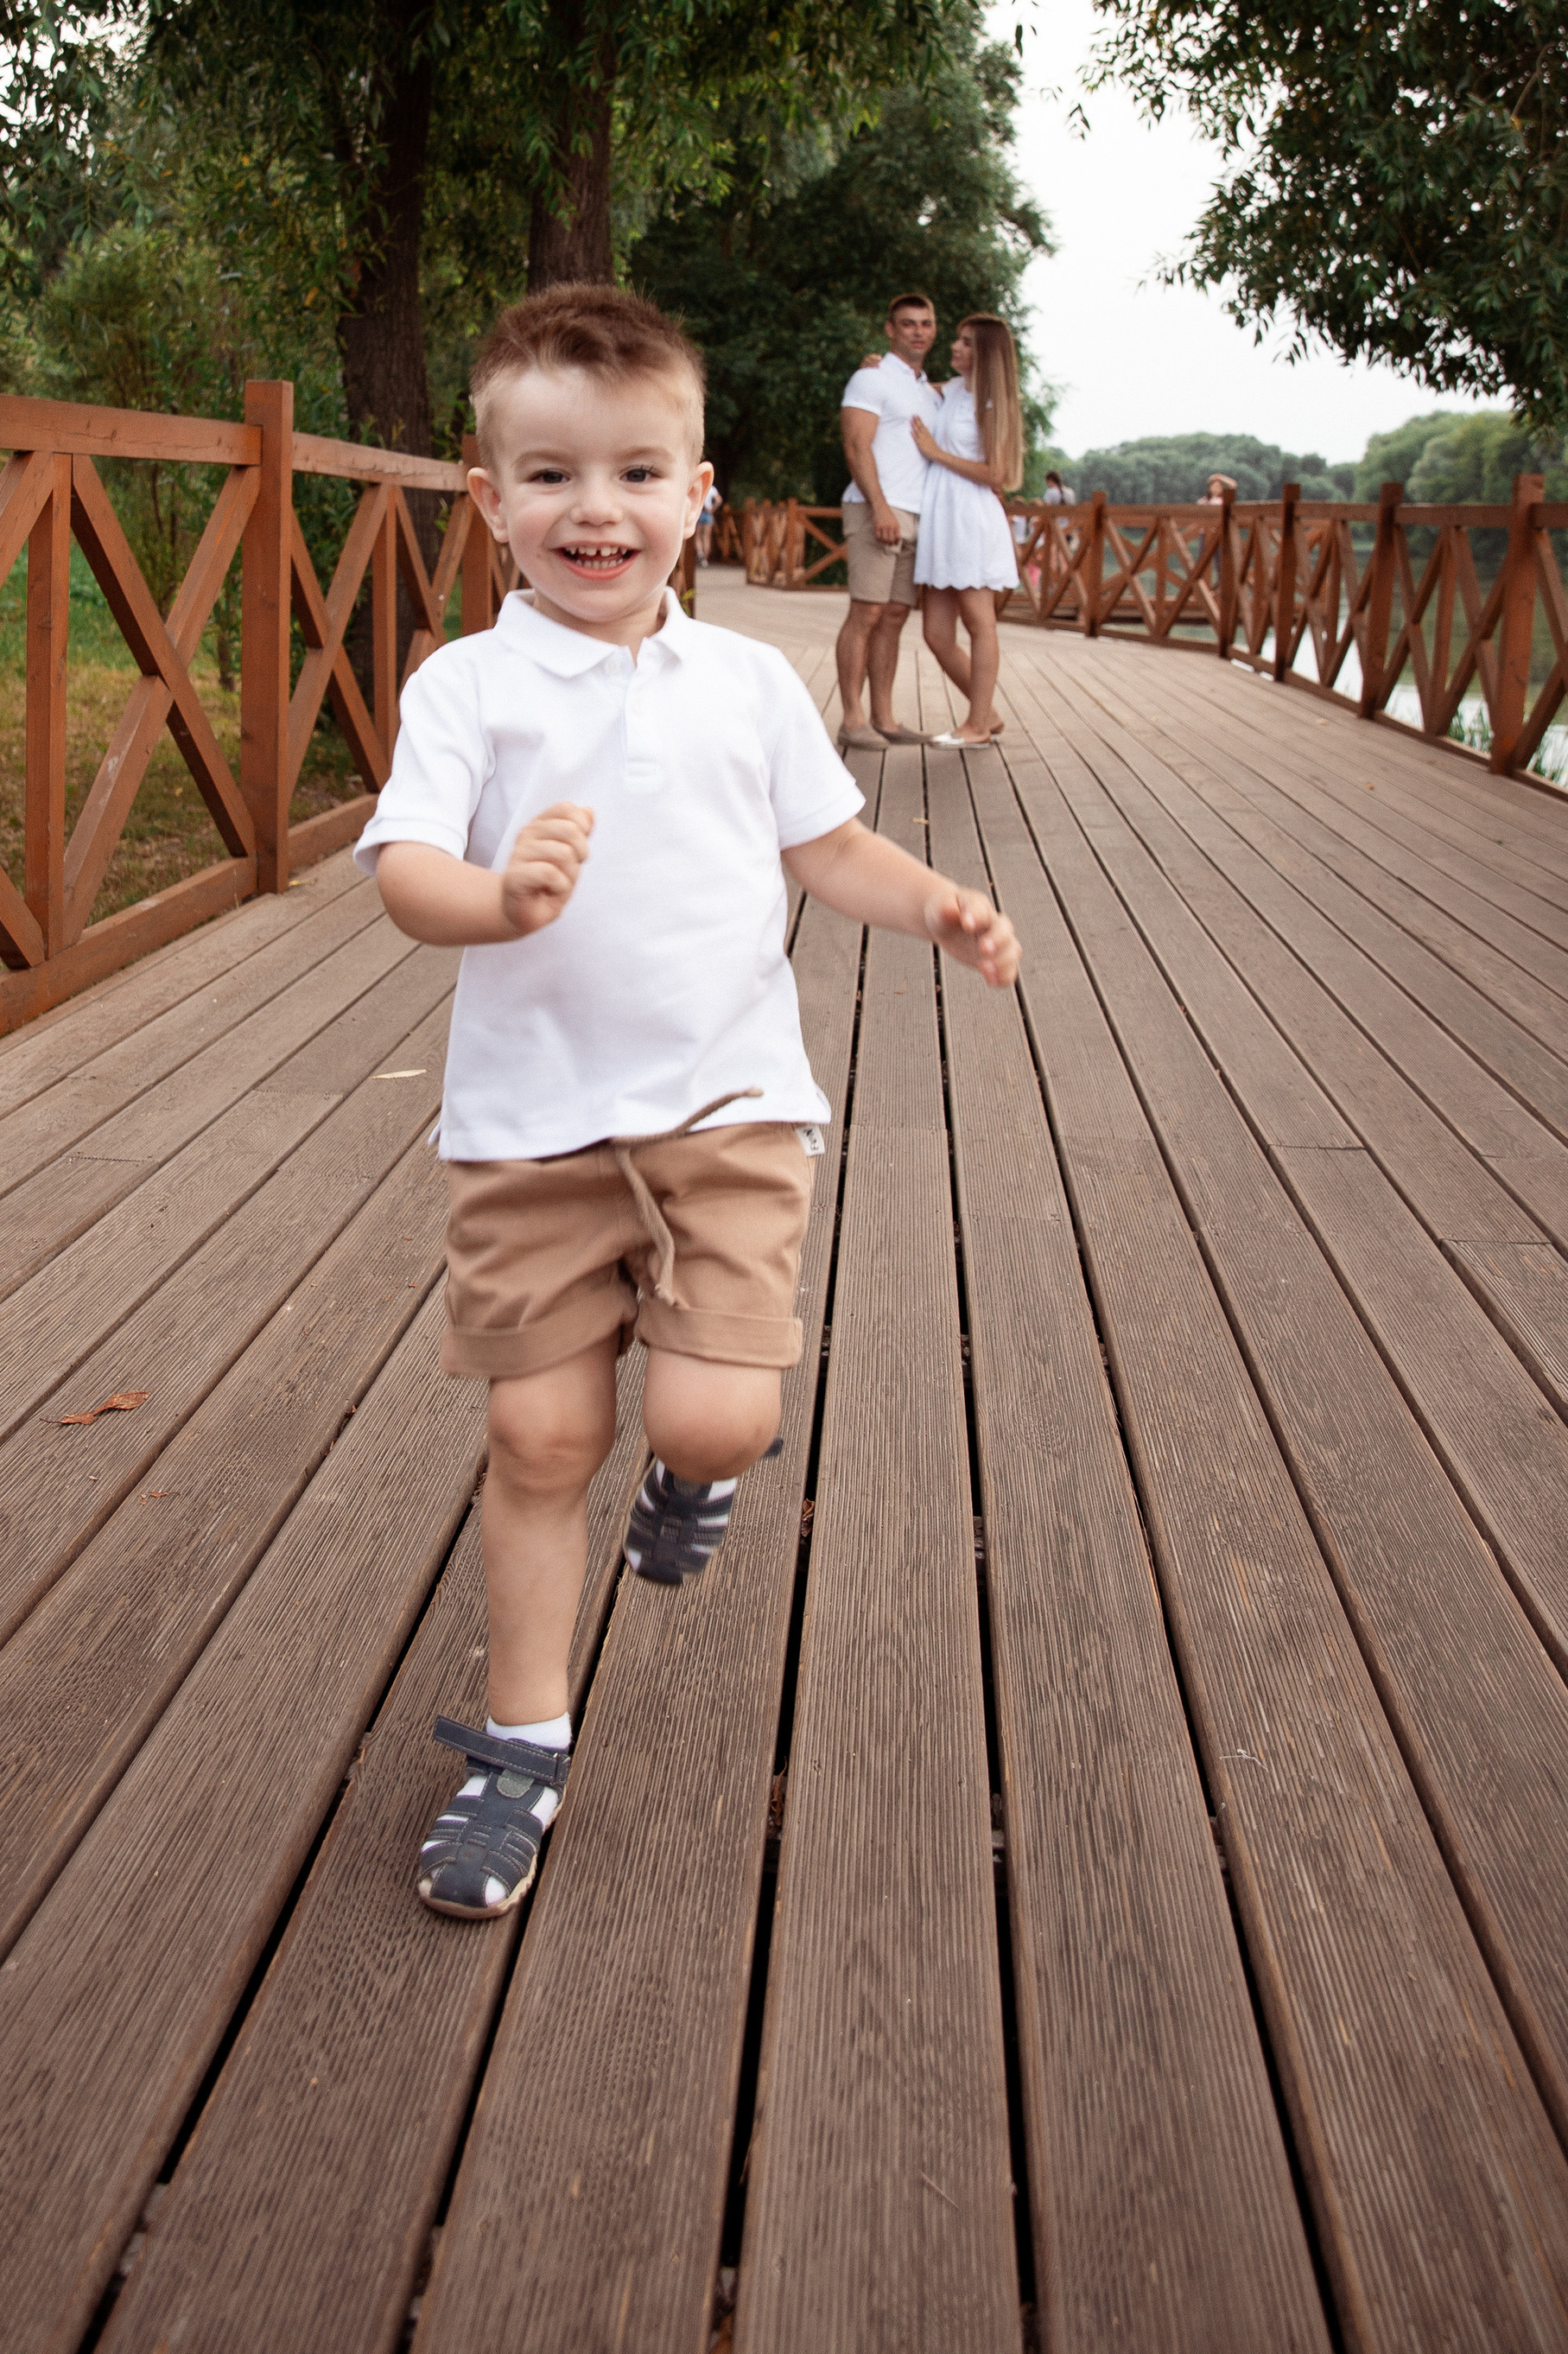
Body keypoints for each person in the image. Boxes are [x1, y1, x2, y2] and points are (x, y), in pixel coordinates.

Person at [359, 282, 1022, 1921]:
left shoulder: (744, 686)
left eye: (640, 476)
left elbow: (824, 847)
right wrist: (496, 898)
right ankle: (520, 1747)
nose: (600, 512)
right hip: (534, 1131)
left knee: (716, 1416)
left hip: (727, 1110)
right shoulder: (468, 688)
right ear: (489, 494)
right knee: (538, 1432)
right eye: (556, 476)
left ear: (699, 492)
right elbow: (404, 872)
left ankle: (698, 1470)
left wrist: (933, 902)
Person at [911, 315, 1025, 747]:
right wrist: (877, 365)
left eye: (966, 343)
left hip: (971, 517)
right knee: (936, 633)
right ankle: (987, 714)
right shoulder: (952, 390)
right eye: (957, 340)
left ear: (987, 354)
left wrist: (935, 453)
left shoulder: (992, 403)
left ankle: (975, 724)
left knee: (980, 621)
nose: (955, 347)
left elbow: (996, 472)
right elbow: (914, 387)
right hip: (943, 517)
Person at [835, 291, 944, 746]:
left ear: (934, 329)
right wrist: (879, 506)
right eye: (907, 323)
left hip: (918, 511)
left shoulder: (929, 391)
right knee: (867, 611)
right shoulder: (871, 379)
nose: (917, 331)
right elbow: (857, 446)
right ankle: (852, 719)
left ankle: (885, 718)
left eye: (925, 323)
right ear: (889, 329)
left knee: (896, 614)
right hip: (876, 506)